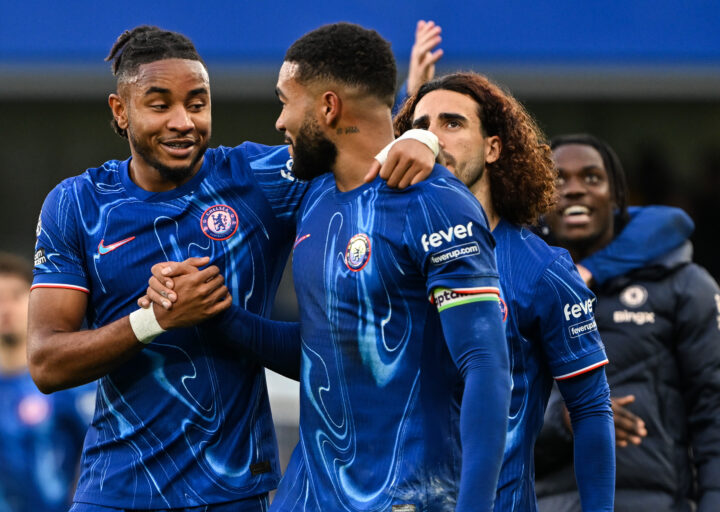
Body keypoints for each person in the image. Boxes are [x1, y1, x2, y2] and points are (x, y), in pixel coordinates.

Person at [28, 25, 437, 511]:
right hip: (116, 488)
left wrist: (418, 138)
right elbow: (46, 361)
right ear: (121, 112)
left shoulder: (258, 179)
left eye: (197, 103)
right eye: (159, 105)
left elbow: (356, 150)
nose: (184, 121)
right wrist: (155, 320)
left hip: (233, 490)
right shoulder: (78, 204)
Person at [145, 22, 511, 512]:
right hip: (309, 497)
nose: (279, 122)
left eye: (284, 100)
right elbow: (324, 354)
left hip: (406, 498)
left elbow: (486, 366)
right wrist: (218, 313)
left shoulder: (437, 204)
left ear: (328, 107)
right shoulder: (313, 194)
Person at [393, 72, 616, 511]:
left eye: (452, 124)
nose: (432, 139)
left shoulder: (542, 270)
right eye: (421, 126)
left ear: (493, 147)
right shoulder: (388, 253)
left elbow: (590, 410)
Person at [534, 134, 720, 512]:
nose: (574, 191)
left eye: (591, 178)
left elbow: (713, 414)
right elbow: (478, 419)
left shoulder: (684, 286)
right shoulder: (514, 289)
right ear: (537, 201)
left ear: (618, 198)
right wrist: (563, 422)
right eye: (558, 180)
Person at [0, 252, 94, 512]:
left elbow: (90, 464)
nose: (4, 308)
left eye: (16, 296)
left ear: (35, 304)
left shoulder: (67, 381)